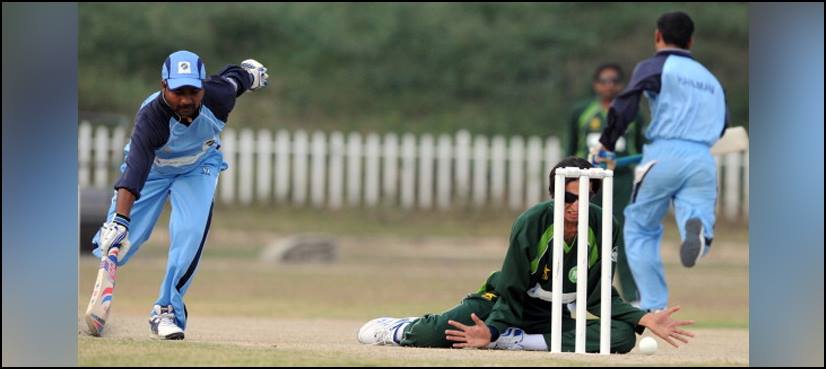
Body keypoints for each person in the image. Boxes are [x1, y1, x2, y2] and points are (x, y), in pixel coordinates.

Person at [357, 157, 694, 352]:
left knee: (619, 338)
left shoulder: (604, 224)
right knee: (440, 335)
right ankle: (400, 328)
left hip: (548, 315)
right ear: (553, 194)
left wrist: (642, 318)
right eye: (567, 198)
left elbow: (597, 294)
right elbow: (512, 287)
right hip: (500, 301)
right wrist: (491, 328)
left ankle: (517, 341)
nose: (575, 207)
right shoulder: (533, 222)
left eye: (584, 198)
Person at [89, 50, 269, 340]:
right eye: (177, 91)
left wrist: (251, 72)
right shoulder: (151, 118)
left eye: (193, 91)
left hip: (199, 168)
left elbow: (237, 78)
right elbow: (134, 170)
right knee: (118, 243)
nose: (186, 99)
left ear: (203, 87)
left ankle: (166, 311)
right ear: (163, 86)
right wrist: (120, 221)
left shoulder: (218, 96)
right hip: (153, 171)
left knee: (189, 233)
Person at [594, 11, 728, 312]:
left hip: (662, 155)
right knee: (697, 214)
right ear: (691, 40)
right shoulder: (711, 80)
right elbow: (722, 126)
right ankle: (698, 232)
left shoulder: (655, 66)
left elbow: (626, 103)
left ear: (657, 36)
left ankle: (653, 305)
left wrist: (607, 142)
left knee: (640, 227)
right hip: (702, 159)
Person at [567, 63, 645, 304]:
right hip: (587, 183)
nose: (608, 85)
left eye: (613, 81)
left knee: (623, 236)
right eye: (603, 80)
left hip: (621, 182)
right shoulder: (582, 112)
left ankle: (632, 298)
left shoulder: (632, 113)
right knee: (581, 234)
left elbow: (640, 151)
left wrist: (618, 163)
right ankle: (573, 295)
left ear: (620, 85)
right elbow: (571, 149)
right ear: (595, 84)